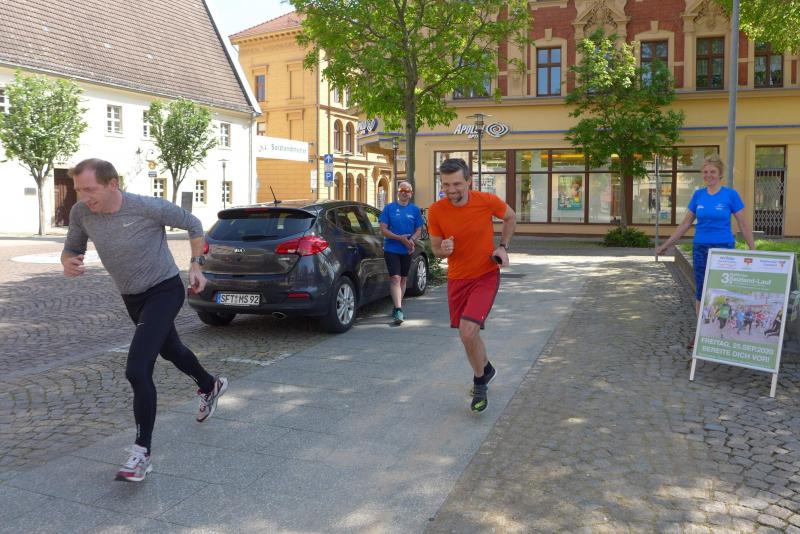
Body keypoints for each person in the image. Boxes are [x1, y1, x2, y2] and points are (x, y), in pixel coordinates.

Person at [61, 159, 228, 482]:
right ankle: (210, 385)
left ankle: (142, 454)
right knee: (171, 349)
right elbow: (71, 249)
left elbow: (194, 224)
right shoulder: (81, 213)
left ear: (112, 184)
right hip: (132, 297)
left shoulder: (147, 207)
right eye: (79, 190)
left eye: (90, 189)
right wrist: (68, 261)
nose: (83, 196)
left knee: (137, 369)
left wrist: (196, 265)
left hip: (164, 289)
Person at [428, 158, 516, 413]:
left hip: (485, 275)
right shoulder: (436, 211)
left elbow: (510, 217)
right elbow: (435, 249)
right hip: (457, 279)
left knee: (467, 332)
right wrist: (443, 249)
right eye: (446, 184)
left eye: (456, 184)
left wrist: (503, 246)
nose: (451, 189)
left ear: (469, 181)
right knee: (468, 335)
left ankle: (479, 383)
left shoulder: (486, 201)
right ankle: (486, 369)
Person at [656, 154, 755, 348]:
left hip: (724, 249)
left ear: (720, 174)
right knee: (701, 290)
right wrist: (666, 244)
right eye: (706, 171)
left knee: (724, 291)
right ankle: (701, 332)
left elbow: (743, 224)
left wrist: (753, 249)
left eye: (713, 172)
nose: (709, 175)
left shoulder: (730, 195)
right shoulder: (698, 195)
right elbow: (685, 224)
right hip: (701, 248)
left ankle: (723, 331)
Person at [379, 180, 424, 325]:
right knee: (395, 278)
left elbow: (419, 229)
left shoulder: (415, 210)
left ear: (411, 194)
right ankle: (399, 309)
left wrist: (411, 240)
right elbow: (383, 229)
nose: (404, 193)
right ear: (398, 192)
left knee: (403, 279)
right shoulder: (389, 208)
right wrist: (400, 238)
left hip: (407, 249)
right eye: (402, 190)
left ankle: (397, 304)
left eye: (407, 191)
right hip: (391, 248)